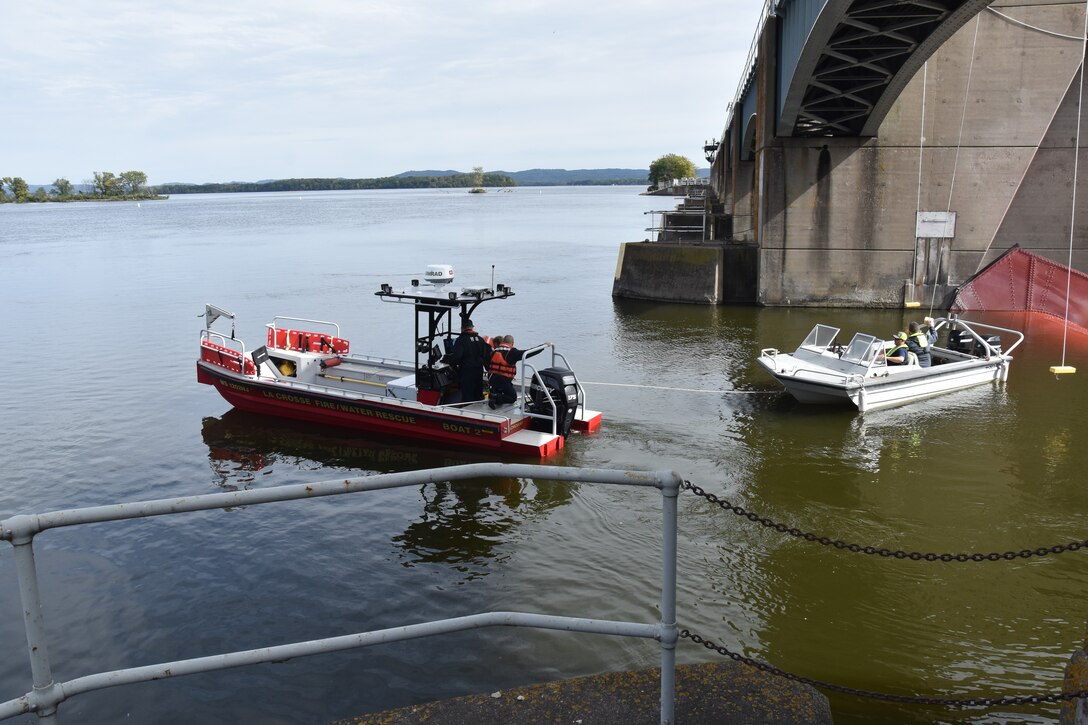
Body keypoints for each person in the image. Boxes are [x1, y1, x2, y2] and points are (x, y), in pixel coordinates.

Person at [487, 335, 549, 409]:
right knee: (512, 398)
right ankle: (495, 396)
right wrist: (543, 347)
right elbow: (528, 352)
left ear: (503, 341)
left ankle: (494, 395)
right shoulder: (513, 352)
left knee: (501, 389)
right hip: (503, 380)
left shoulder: (495, 351)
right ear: (512, 343)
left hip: (492, 379)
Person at [442, 319, 492, 402]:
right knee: (478, 391)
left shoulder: (461, 340)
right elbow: (485, 355)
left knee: (467, 393)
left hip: (467, 371)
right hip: (479, 370)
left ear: (462, 328)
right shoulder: (480, 339)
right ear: (472, 328)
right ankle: (479, 407)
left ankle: (467, 408)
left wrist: (449, 362)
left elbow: (457, 356)